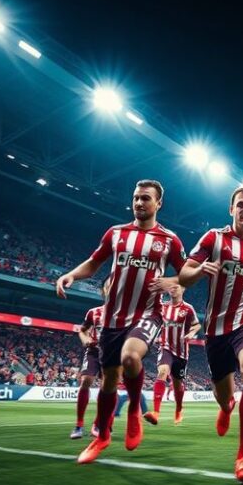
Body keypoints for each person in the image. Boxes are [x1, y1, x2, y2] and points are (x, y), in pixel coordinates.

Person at [56, 179, 185, 464]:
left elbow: (188, 273)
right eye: (136, 197)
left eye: (146, 198)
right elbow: (93, 262)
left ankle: (133, 414)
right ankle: (102, 437)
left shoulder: (169, 240)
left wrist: (172, 281)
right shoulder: (116, 234)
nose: (139, 203)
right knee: (109, 382)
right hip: (113, 319)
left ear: (158, 204)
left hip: (148, 314)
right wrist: (72, 275)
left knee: (130, 356)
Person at [179, 186, 243, 485]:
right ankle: (226, 408)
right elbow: (183, 276)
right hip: (215, 329)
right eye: (241, 205)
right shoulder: (214, 238)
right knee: (224, 397)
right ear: (231, 209)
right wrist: (201, 270)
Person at [145, 285, 201, 425]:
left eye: (177, 287)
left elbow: (197, 325)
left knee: (177, 385)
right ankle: (156, 413)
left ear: (183, 290)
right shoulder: (163, 307)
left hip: (182, 352)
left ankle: (178, 410)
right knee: (162, 372)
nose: (173, 289)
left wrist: (192, 333)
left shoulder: (188, 309)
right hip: (166, 347)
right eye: (171, 287)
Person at [70, 277, 109, 439]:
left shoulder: (124, 314)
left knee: (106, 388)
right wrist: (85, 339)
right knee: (86, 381)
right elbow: (82, 330)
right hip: (93, 351)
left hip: (111, 354)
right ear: (103, 291)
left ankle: (98, 424)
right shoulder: (94, 312)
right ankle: (79, 425)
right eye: (108, 286)